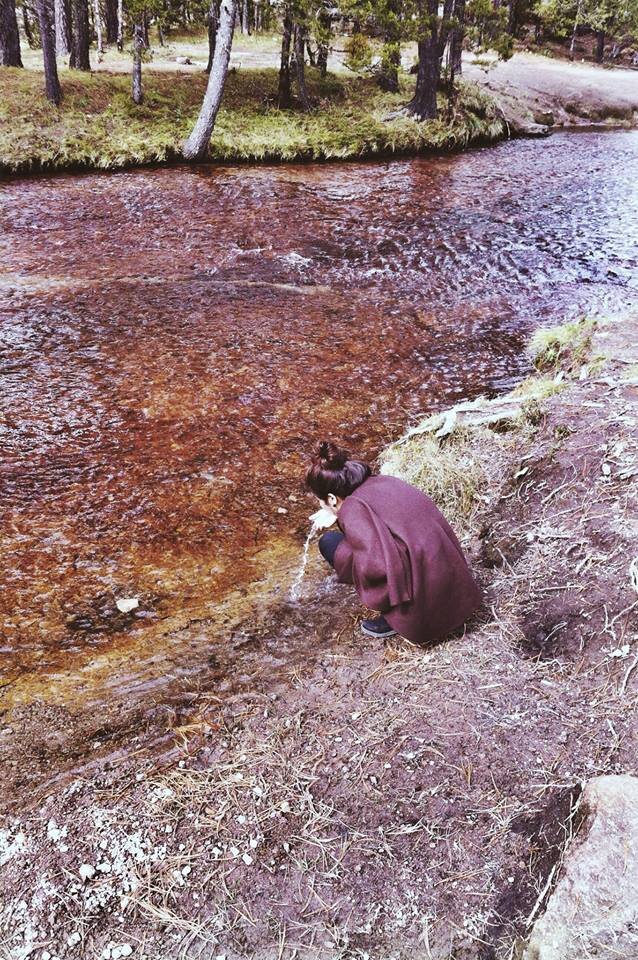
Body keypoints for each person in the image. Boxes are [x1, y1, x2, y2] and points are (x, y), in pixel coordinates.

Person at [305, 441, 482, 642]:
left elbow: (376, 568)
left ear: (331, 498)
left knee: (329, 543)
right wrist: (337, 514)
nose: (320, 505)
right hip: (458, 590)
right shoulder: (382, 481)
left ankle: (396, 619)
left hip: (429, 614)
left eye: (321, 501)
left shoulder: (352, 510)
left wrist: (342, 517)